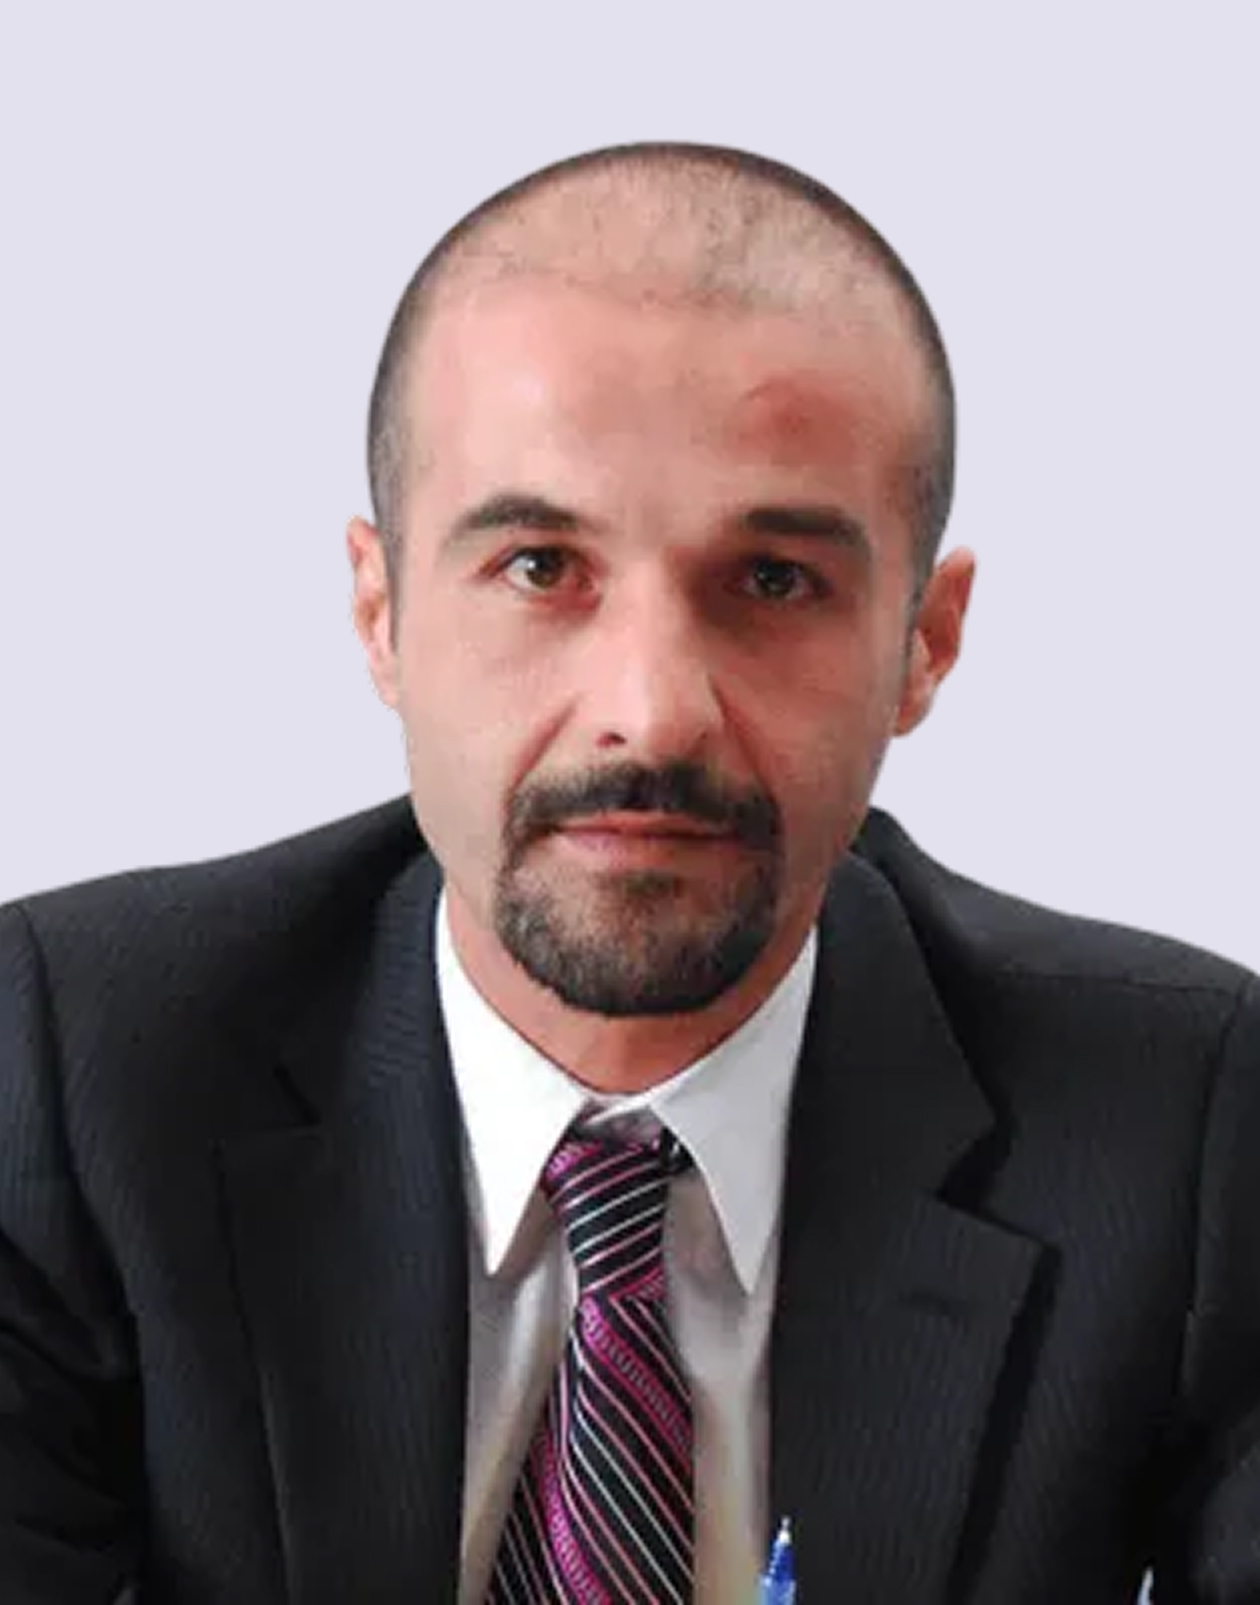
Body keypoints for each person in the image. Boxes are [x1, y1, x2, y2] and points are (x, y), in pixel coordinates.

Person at [1, 141, 1257, 1605]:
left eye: (775, 580)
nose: (653, 711)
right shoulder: (69, 1070)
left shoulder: (1194, 1119)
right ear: (381, 609)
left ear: (925, 638)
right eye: (541, 565)